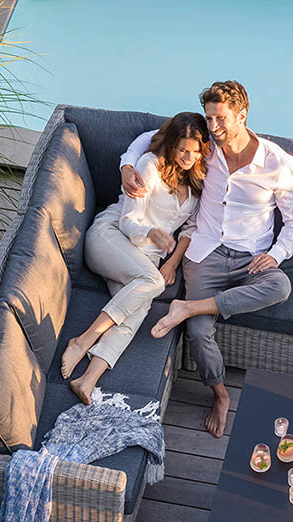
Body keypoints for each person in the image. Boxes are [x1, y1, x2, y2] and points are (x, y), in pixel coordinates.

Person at [118, 81, 293, 438]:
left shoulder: (276, 162)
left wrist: (276, 254)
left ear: (242, 114)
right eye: (209, 119)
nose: (214, 127)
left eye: (221, 119)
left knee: (280, 285)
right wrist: (128, 167)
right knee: (199, 332)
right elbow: (148, 138)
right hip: (203, 253)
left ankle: (189, 306)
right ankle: (220, 395)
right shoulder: (205, 148)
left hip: (251, 257)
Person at [60, 112, 210, 404]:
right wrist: (153, 233)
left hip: (144, 264)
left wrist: (172, 262)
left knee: (137, 310)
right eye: (182, 150)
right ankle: (83, 340)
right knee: (151, 283)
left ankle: (87, 380)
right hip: (111, 238)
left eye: (194, 151)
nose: (187, 157)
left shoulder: (197, 184)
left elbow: (190, 229)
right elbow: (129, 222)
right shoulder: (149, 165)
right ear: (171, 144)